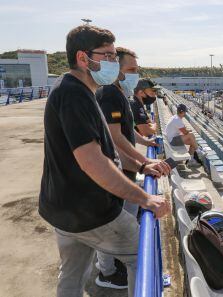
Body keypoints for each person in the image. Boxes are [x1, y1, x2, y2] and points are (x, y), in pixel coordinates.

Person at [38, 25, 170, 297]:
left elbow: (107, 149)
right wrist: (144, 198)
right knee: (142, 253)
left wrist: (142, 165)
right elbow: (93, 162)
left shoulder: (75, 89)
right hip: (89, 212)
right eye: (107, 56)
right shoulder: (75, 94)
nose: (113, 62)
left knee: (73, 277)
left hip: (63, 209)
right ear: (83, 58)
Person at [96, 47, 171, 289]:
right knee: (113, 230)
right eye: (131, 70)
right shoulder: (109, 93)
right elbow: (115, 137)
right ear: (115, 67)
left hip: (124, 169)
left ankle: (109, 269)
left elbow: (128, 134)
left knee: (118, 226)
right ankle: (107, 272)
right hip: (118, 171)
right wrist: (142, 163)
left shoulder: (119, 94)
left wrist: (146, 145)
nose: (135, 74)